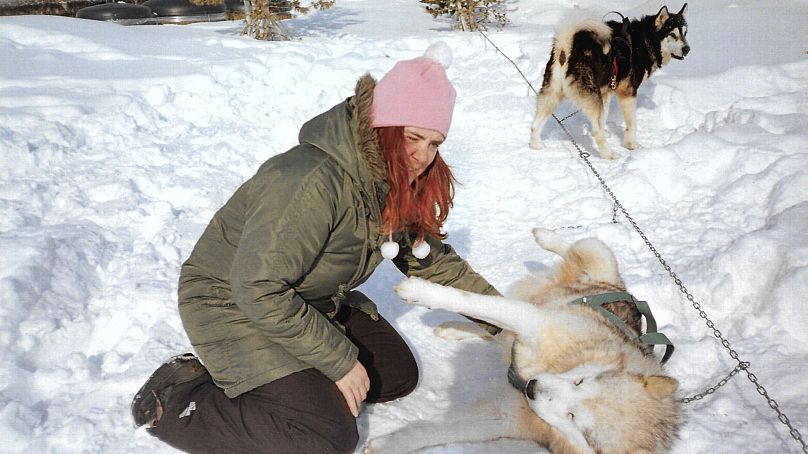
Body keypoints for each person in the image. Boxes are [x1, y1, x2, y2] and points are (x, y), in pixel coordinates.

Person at [130, 42, 501, 454]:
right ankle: (176, 400)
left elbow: (433, 263)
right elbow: (256, 287)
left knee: (395, 375)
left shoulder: (388, 180)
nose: (422, 156)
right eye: (413, 137)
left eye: (434, 143)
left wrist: (508, 323)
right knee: (324, 439)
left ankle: (298, 376)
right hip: (230, 302)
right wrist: (338, 361)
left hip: (302, 299)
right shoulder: (310, 181)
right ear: (383, 125)